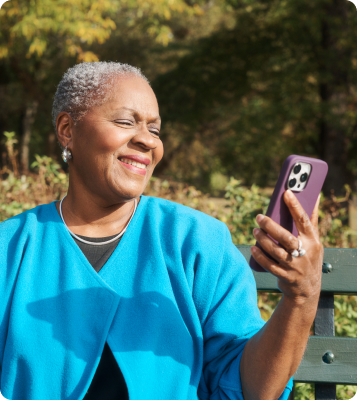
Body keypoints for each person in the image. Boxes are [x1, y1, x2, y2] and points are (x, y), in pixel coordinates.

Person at [0, 62, 323, 400]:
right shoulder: (10, 250)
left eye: (154, 130)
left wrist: (300, 298)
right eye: (126, 122)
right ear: (67, 129)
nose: (146, 140)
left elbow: (252, 390)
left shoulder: (197, 242)